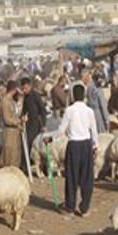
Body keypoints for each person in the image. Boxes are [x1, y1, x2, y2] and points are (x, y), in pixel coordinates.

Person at [48, 84, 98, 217]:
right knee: (87, 177)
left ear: (73, 95)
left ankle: (70, 206)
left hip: (74, 145)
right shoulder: (89, 111)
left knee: (71, 176)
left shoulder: (69, 110)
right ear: (84, 95)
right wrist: (95, 146)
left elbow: (61, 130)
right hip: (86, 145)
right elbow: (94, 131)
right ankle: (84, 207)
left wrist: (50, 139)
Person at [20, 77, 46, 175]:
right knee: (26, 145)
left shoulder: (36, 96)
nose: (24, 90)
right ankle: (25, 168)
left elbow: (42, 111)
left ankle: (42, 168)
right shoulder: (25, 97)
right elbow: (24, 110)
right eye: (23, 89)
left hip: (37, 124)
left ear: (30, 86)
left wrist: (44, 124)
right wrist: (22, 117)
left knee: (37, 146)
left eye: (26, 88)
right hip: (29, 124)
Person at [0, 80, 22, 169]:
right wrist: (18, 121)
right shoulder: (5, 101)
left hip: (15, 131)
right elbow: (7, 119)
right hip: (9, 132)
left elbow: (16, 113)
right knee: (8, 154)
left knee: (15, 154)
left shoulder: (12, 101)